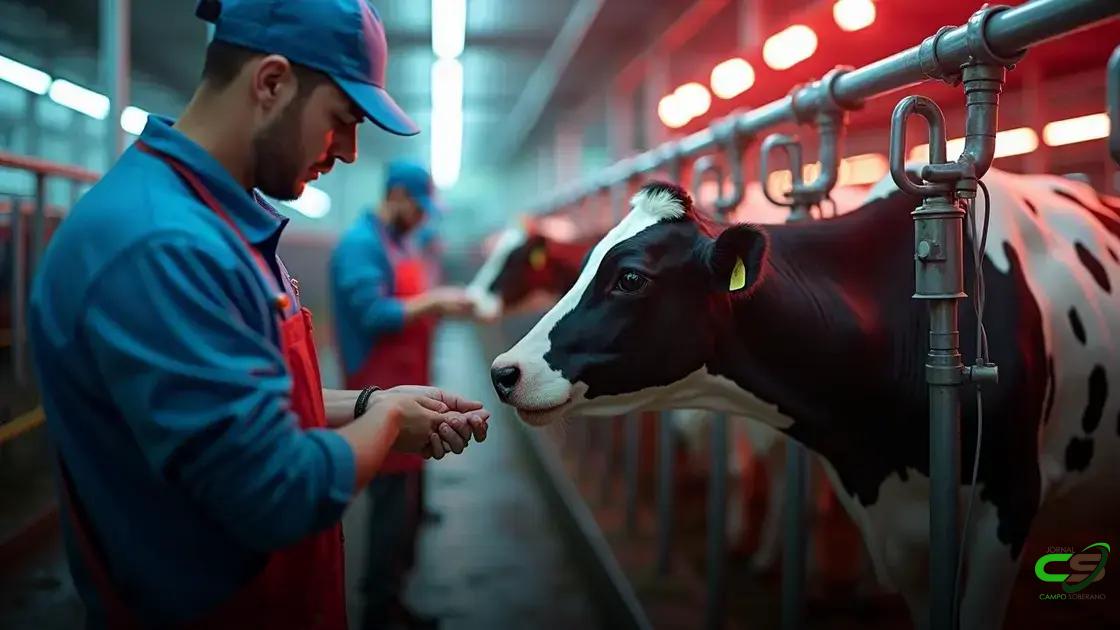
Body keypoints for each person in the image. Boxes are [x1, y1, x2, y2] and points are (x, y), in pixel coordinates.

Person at [26, 1, 489, 628]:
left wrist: (369, 401)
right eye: (342, 119)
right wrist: (384, 423)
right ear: (271, 83)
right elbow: (279, 494)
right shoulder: (161, 244)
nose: (350, 152)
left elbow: (249, 401)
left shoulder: (218, 220)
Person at [328, 161, 475, 629]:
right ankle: (380, 608)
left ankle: (393, 591)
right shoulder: (361, 245)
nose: (422, 219)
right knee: (390, 505)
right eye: (418, 208)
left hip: (404, 376)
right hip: (376, 384)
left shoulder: (396, 242)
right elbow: (372, 314)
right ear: (395, 195)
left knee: (404, 500)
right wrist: (434, 301)